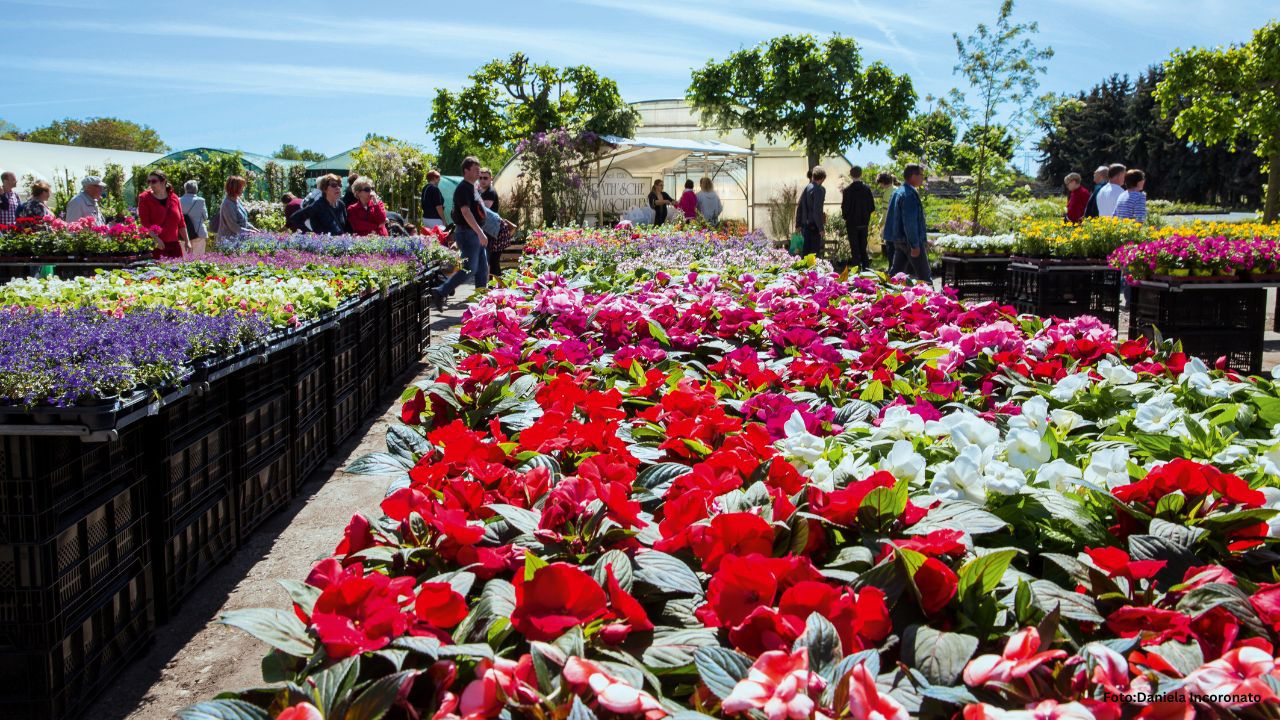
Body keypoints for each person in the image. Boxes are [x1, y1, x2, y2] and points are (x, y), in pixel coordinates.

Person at [427, 156, 488, 309]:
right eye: (475, 170)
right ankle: (441, 291)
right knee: (470, 268)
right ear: (466, 171)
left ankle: (481, 302)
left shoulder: (472, 187)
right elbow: (466, 212)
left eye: (479, 170)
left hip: (474, 233)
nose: (478, 173)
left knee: (482, 269)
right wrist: (480, 232)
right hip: (469, 234)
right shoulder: (463, 188)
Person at [883, 163, 931, 282]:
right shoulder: (909, 194)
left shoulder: (898, 192)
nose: (922, 178)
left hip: (899, 241)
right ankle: (935, 300)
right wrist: (915, 245)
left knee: (895, 275)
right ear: (913, 176)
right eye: (921, 175)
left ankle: (884, 296)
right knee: (925, 276)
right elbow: (910, 222)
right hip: (909, 242)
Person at [138, 169, 190, 259]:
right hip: (156, 245)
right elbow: (145, 223)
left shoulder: (174, 198)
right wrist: (156, 239)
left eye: (154, 181)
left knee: (178, 271)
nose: (150, 184)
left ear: (163, 182)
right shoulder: (144, 198)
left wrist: (187, 241)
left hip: (174, 245)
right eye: (149, 181)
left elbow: (181, 222)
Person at [840, 166, 875, 270]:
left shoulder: (847, 190)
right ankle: (866, 269)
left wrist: (846, 217)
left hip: (851, 224)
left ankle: (856, 271)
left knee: (854, 248)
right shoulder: (866, 189)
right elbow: (871, 207)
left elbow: (845, 208)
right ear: (861, 174)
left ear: (850, 175)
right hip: (864, 223)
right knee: (863, 248)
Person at [477, 167, 507, 277]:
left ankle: (496, 287)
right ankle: (494, 287)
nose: (482, 180)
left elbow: (482, 213)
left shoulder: (490, 192)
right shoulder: (481, 191)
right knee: (491, 260)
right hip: (490, 229)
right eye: (480, 178)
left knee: (493, 261)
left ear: (491, 179)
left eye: (485, 178)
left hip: (495, 230)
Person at [796, 166, 827, 258]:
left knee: (805, 252)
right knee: (813, 254)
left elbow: (800, 206)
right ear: (822, 178)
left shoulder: (808, 187)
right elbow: (817, 211)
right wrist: (821, 228)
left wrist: (798, 224)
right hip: (814, 225)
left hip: (805, 225)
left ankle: (804, 272)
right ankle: (813, 272)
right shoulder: (818, 190)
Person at [217, 175, 257, 240]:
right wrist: (250, 232)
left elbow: (242, 221)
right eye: (241, 187)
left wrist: (252, 228)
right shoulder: (227, 204)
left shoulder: (238, 200)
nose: (243, 189)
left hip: (239, 239)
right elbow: (233, 226)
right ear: (235, 188)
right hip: (228, 242)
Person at [180, 180, 209, 257]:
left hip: (183, 233)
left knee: (184, 259)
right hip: (198, 233)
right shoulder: (201, 201)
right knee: (198, 259)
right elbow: (205, 217)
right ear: (196, 189)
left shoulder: (178, 200)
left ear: (185, 189)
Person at [875, 172, 898, 266]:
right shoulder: (897, 189)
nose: (880, 185)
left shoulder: (887, 193)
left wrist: (881, 224)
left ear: (883, 182)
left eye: (880, 183)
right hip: (899, 224)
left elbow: (886, 212)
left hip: (890, 225)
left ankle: (891, 271)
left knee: (891, 250)